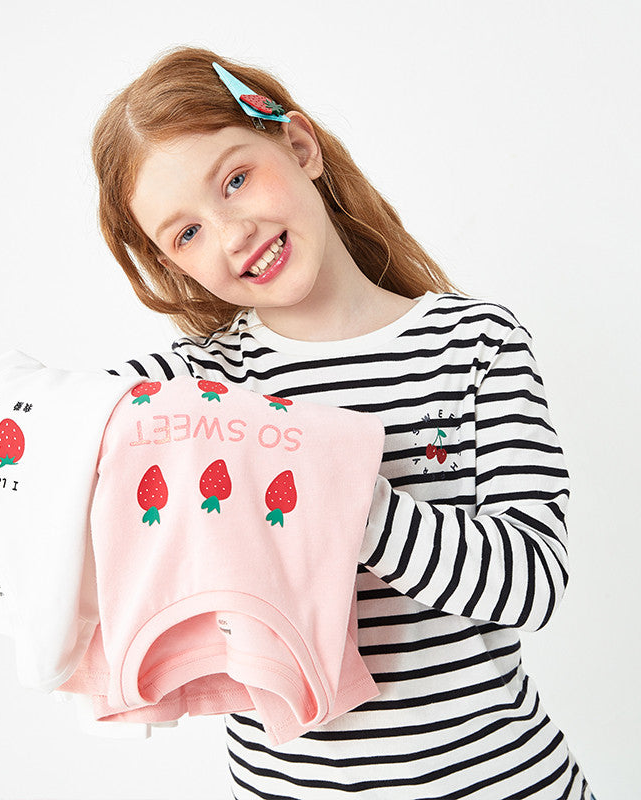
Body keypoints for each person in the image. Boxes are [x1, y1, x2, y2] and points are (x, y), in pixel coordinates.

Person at [95, 45, 594, 800]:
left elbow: (532, 584)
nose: (231, 234)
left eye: (235, 180)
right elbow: (54, 439)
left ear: (300, 146)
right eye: (186, 233)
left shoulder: (474, 343)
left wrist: (339, 498)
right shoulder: (195, 386)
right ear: (173, 266)